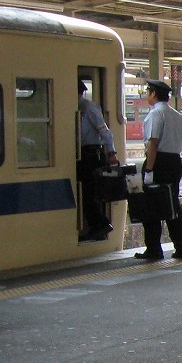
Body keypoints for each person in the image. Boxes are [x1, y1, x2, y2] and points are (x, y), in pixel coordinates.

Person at [136, 79, 182, 261]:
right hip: (175, 162)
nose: (146, 95)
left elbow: (153, 143)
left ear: (153, 93)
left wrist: (149, 170)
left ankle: (154, 249)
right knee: (172, 206)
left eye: (148, 92)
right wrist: (172, 139)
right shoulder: (177, 115)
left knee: (151, 206)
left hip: (158, 163)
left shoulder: (156, 113)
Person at [77, 79, 120, 242]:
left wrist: (111, 153)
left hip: (92, 155)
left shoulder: (89, 108)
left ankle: (101, 224)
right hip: (84, 154)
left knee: (89, 193)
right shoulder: (78, 107)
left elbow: (104, 131)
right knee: (86, 192)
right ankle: (98, 226)